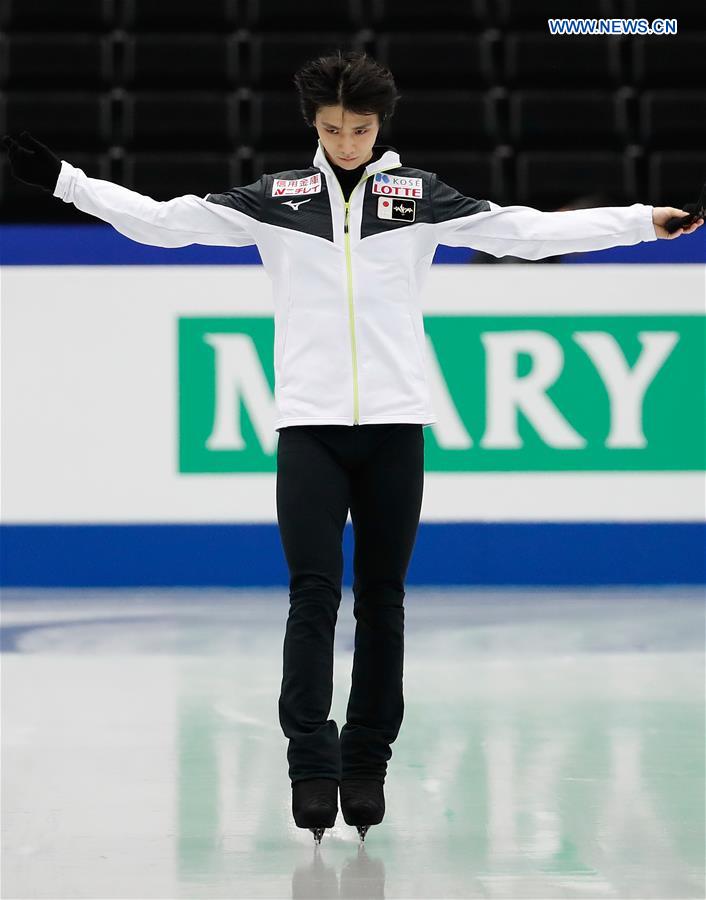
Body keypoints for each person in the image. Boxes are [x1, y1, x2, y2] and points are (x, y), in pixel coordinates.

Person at [2, 49, 702, 846]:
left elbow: (527, 232)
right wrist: (66, 181)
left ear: (381, 126)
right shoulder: (276, 199)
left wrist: (644, 221)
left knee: (384, 603)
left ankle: (367, 759)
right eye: (332, 128)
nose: (345, 143)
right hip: (309, 429)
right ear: (314, 125)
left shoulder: (418, 199)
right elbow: (165, 224)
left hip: (396, 430)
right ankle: (311, 761)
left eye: (360, 129)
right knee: (312, 595)